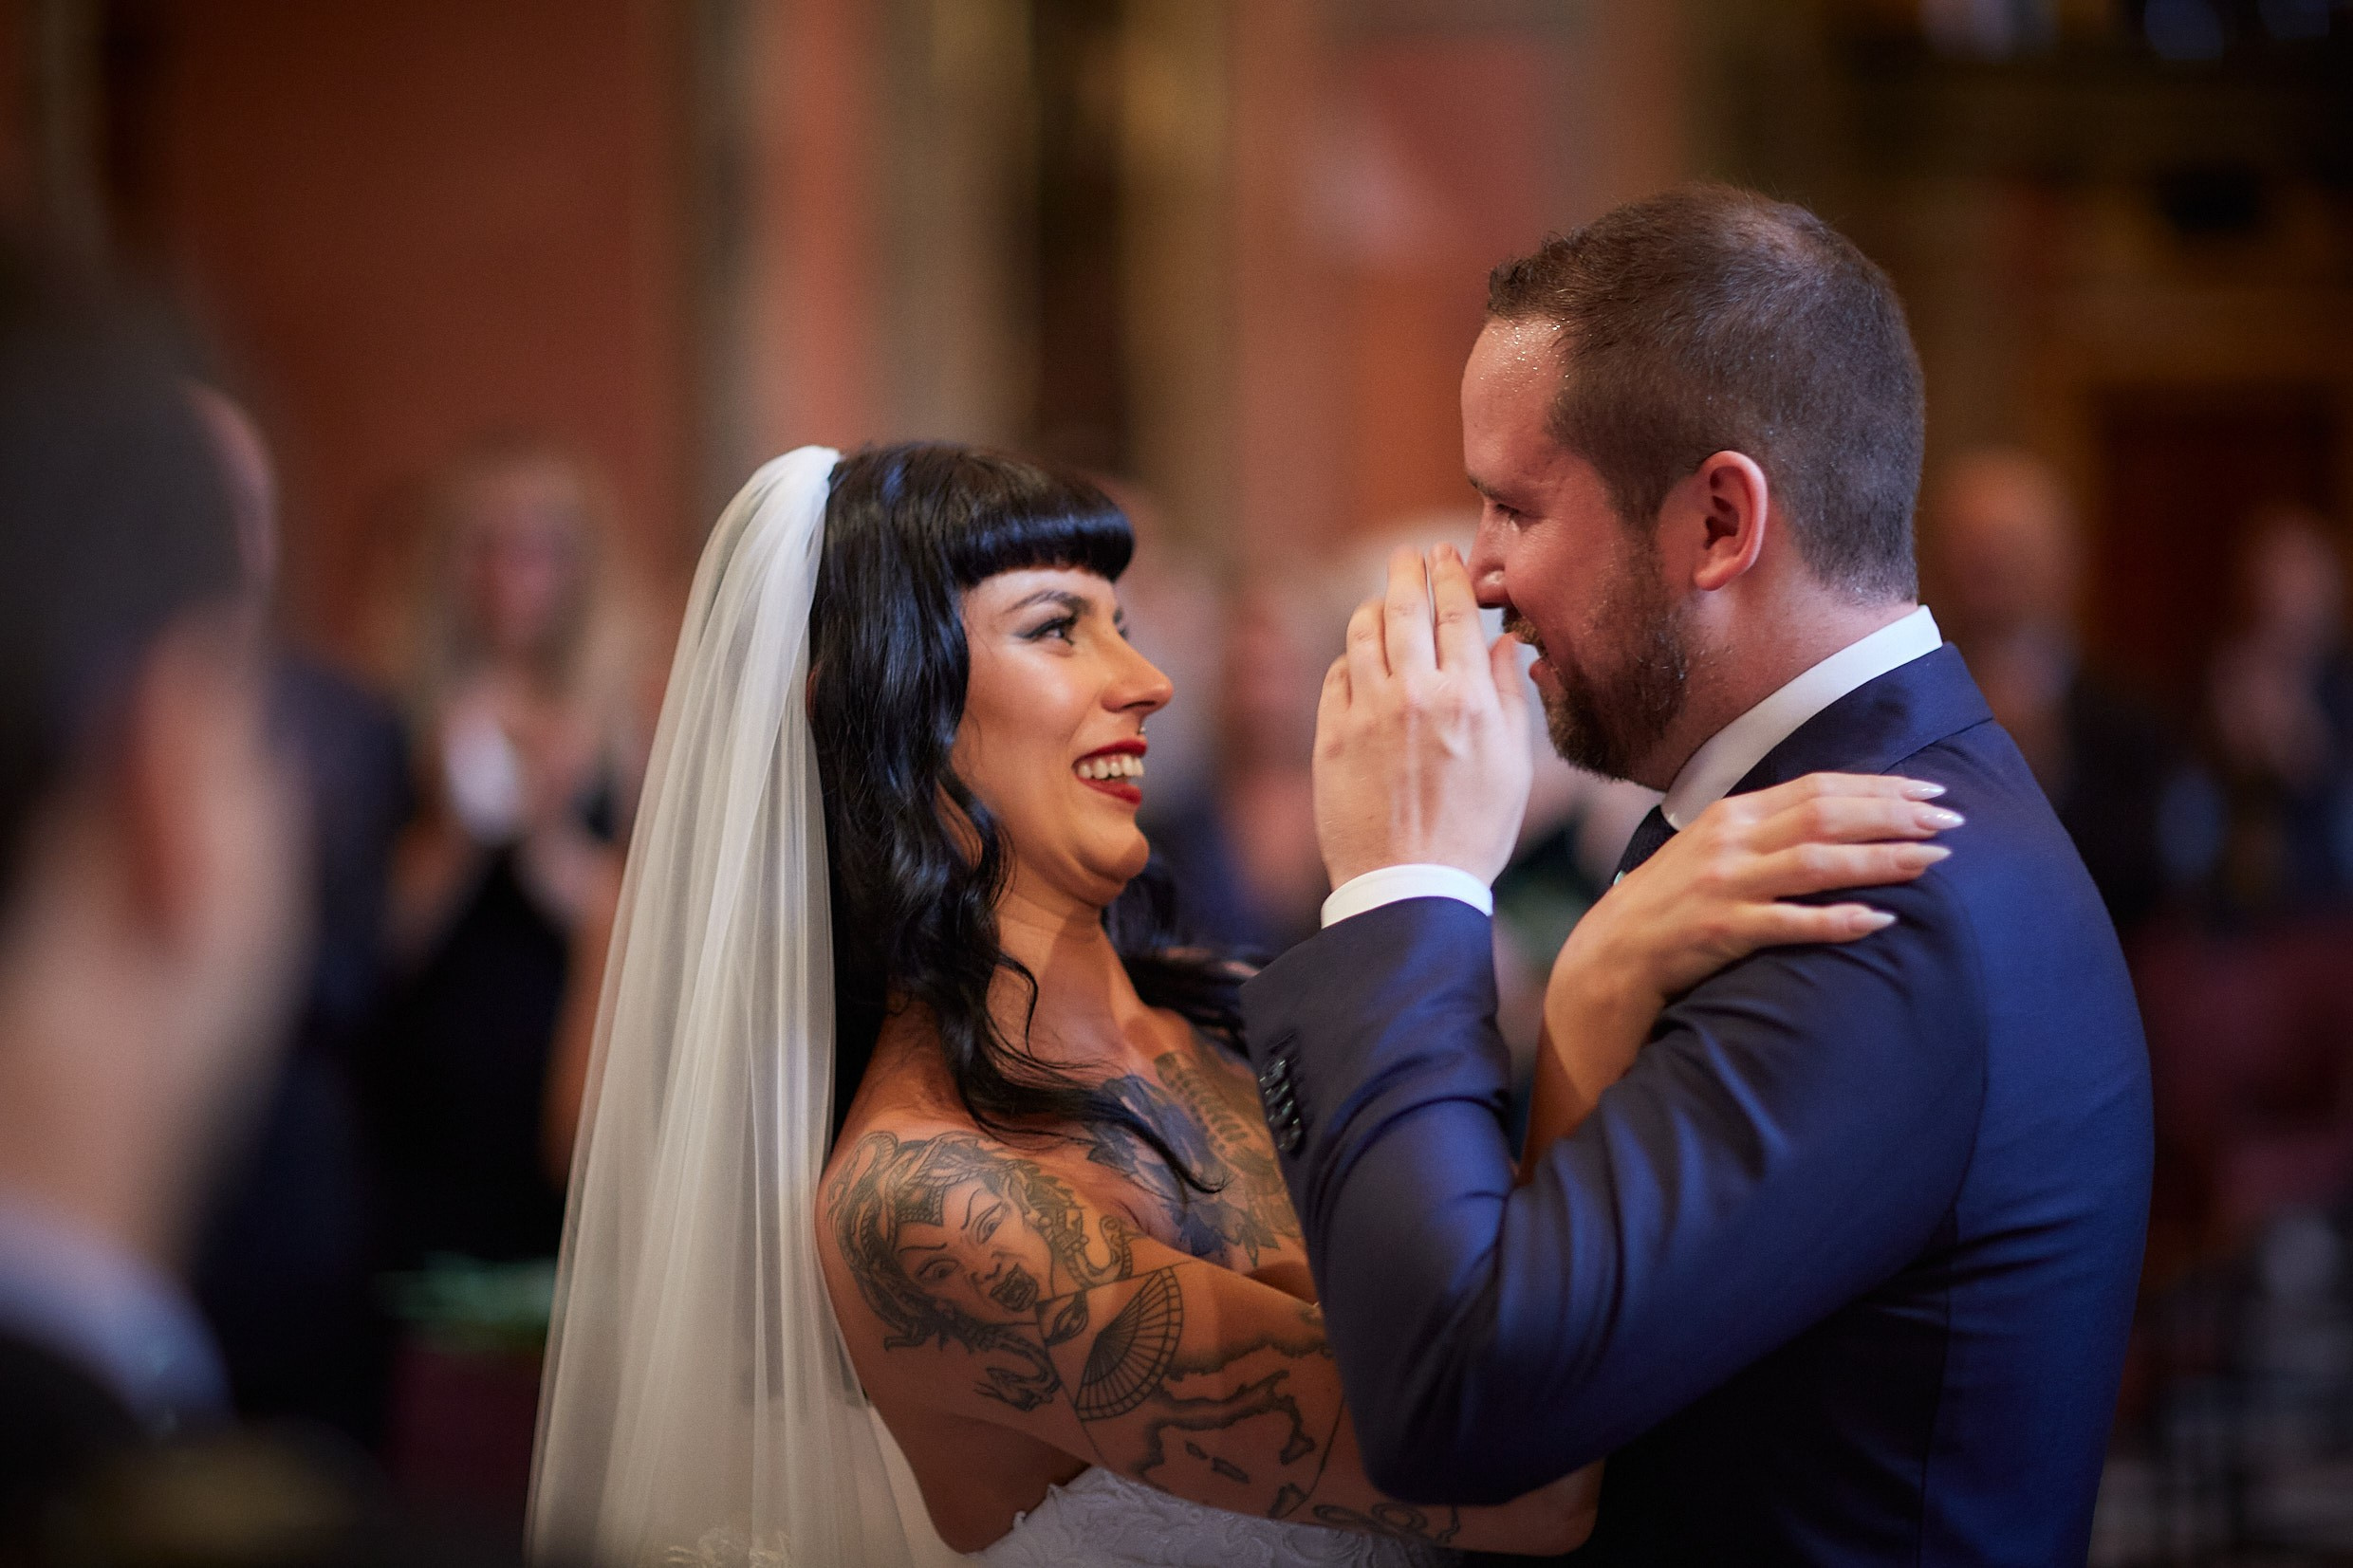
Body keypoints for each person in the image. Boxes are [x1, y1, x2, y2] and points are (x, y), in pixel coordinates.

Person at [528, 442, 1959, 1566]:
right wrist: (1592, 989)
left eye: (1129, 626)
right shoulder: (923, 1203)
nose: (1147, 682)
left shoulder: (1233, 1013)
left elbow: (1494, 1291)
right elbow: (1522, 1477)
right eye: (1058, 629)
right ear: (889, 712)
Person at [1239, 186, 2153, 1563]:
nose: (1478, 572)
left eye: (1512, 505)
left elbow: (1457, 1396)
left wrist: (1405, 881)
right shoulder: (1822, 812)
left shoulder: (1871, 900)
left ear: (1720, 524)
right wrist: (1592, 979)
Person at [184, 385, 413, 1448]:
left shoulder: (344, 722)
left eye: (251, 507)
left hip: (297, 1191)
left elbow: (371, 967)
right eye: (201, 501)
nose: (233, 536)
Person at [1928, 447, 2206, 937]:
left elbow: (2158, 881)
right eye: (1972, 544)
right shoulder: (1900, 709)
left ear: (2066, 559)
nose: (1991, 563)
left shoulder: (2133, 719)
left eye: (2011, 543)